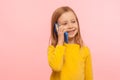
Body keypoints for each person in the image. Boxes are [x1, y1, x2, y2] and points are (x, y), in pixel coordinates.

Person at [47, 6, 93, 80]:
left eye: (73, 21)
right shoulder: (53, 49)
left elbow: (89, 76)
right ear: (56, 28)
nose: (70, 26)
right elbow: (56, 66)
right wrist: (60, 42)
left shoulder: (85, 50)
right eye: (65, 23)